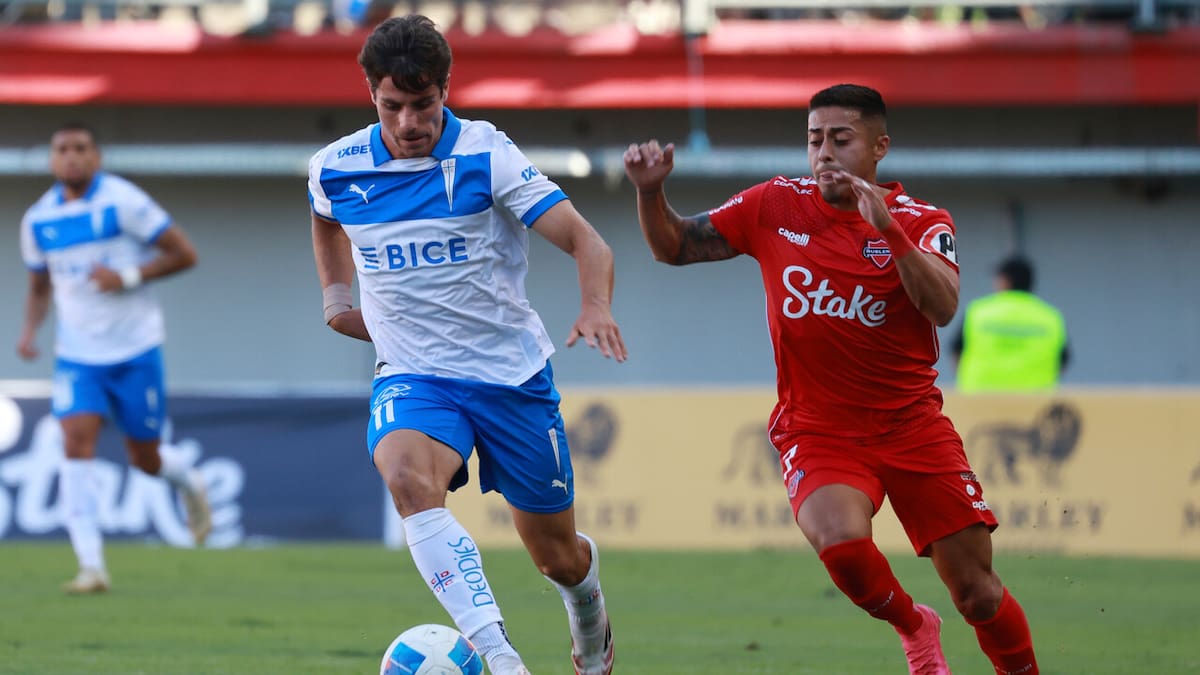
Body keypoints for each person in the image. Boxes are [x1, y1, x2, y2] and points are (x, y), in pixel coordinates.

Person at [624, 84, 1039, 675]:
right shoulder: (776, 205)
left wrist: (888, 230)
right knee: (841, 544)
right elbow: (674, 246)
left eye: (841, 139)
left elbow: (943, 308)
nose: (824, 152)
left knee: (977, 592)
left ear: (878, 147)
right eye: (814, 139)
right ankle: (914, 625)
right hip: (818, 429)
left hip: (913, 428)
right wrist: (650, 192)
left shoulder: (923, 222)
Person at [307, 15, 624, 675]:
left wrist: (595, 304)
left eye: (423, 104)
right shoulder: (336, 167)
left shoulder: (486, 155)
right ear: (372, 95)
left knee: (556, 557)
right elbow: (325, 216)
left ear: (445, 90)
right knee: (406, 479)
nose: (408, 123)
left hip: (510, 377)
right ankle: (501, 658)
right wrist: (336, 297)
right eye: (392, 106)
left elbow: (585, 240)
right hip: (414, 373)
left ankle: (587, 608)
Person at [17, 122, 211, 594]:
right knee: (74, 442)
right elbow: (40, 284)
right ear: (51, 160)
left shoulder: (123, 202)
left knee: (144, 457)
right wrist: (30, 330)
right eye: (62, 149)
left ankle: (188, 484)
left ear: (96, 157)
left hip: (135, 350)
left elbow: (184, 254)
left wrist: (126, 277)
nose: (71, 157)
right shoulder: (38, 220)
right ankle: (91, 566)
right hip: (77, 357)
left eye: (80, 148)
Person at [952, 255, 1069, 393]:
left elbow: (956, 353)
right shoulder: (1051, 317)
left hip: (980, 398)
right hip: (1035, 400)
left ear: (1005, 281)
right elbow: (1062, 363)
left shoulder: (977, 312)